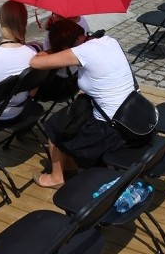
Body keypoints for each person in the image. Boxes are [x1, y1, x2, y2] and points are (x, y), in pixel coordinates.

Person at [29, 20, 135, 188]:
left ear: (64, 48)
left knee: (54, 126)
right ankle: (70, 165)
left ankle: (56, 177)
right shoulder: (108, 41)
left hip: (111, 129)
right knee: (72, 113)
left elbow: (35, 63)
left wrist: (47, 52)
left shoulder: (81, 52)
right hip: (132, 114)